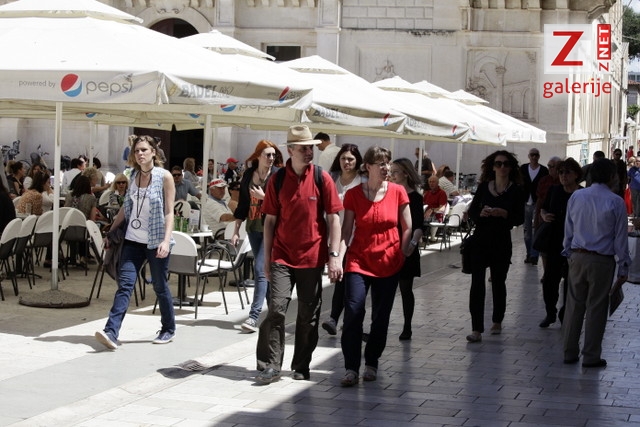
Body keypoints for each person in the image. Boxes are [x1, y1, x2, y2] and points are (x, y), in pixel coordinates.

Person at [255, 125, 342, 384]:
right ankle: (271, 365)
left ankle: (301, 365)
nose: (309, 152)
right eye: (303, 148)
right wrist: (267, 258)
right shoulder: (278, 180)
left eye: (311, 147)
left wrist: (334, 255)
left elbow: (334, 218)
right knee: (277, 310)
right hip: (282, 256)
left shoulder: (322, 178)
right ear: (291, 150)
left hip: (312, 257)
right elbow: (270, 221)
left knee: (308, 315)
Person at [338, 146, 412, 386]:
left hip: (388, 262)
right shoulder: (353, 195)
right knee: (353, 312)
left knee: (381, 317)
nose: (386, 167)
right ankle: (351, 367)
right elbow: (346, 231)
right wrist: (337, 258)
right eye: (380, 163)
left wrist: (402, 253)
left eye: (387, 162)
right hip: (358, 260)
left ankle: (371, 362)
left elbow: (407, 227)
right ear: (367, 167)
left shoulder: (398, 191)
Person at [95, 135, 176, 350]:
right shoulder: (131, 175)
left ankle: (168, 328)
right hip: (132, 240)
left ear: (153, 152)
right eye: (137, 150)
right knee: (125, 285)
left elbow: (169, 211)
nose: (140, 154)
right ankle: (111, 331)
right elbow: (126, 207)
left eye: (144, 150)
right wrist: (111, 231)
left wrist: (166, 240)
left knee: (160, 286)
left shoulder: (164, 177)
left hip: (156, 240)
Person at [562, 158, 630, 368]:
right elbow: (620, 238)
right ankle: (591, 355)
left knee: (574, 305)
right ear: (611, 176)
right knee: (597, 307)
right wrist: (623, 266)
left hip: (577, 256)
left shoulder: (577, 196)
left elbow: (569, 227)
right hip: (602, 260)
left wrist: (568, 251)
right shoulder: (616, 201)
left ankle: (569, 351)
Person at [466, 150, 525, 343]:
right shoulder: (484, 187)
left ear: (511, 167)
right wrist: (481, 214)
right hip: (480, 240)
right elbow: (472, 212)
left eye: (506, 164)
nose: (502, 167)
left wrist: (504, 214)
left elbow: (520, 218)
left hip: (501, 241)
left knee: (499, 282)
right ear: (492, 167)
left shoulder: (516, 190)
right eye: (498, 164)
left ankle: (497, 320)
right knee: (477, 283)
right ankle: (476, 329)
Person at [231, 139, 283, 333]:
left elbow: (283, 203)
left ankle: (253, 317)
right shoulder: (248, 175)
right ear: (258, 156)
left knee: (260, 269)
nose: (271, 158)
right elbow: (242, 205)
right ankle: (274, 316)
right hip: (253, 227)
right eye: (268, 154)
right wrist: (236, 230)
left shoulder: (278, 175)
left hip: (272, 228)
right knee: (265, 272)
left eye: (273, 155)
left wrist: (264, 198)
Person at [320, 143, 364, 336]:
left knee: (345, 277)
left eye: (351, 159)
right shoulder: (332, 179)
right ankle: (340, 319)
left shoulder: (363, 181)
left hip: (355, 237)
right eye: (344, 158)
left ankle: (336, 318)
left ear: (357, 161)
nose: (347, 162)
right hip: (333, 237)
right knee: (341, 277)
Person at [537, 158, 582, 328]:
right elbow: (543, 208)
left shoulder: (582, 194)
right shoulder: (554, 190)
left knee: (571, 281)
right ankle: (550, 312)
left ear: (576, 174)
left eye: (567, 172)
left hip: (575, 244)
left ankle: (565, 314)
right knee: (550, 280)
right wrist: (544, 215)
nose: (563, 176)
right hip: (554, 241)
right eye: (561, 172)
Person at [389, 158, 423, 341]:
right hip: (388, 246)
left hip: (406, 247)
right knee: (384, 290)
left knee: (405, 288)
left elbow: (419, 225)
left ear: (406, 173)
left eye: (395, 171)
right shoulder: (388, 193)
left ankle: (407, 326)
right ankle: (379, 326)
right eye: (391, 171)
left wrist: (412, 244)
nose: (392, 175)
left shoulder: (415, 197)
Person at [520, 148, 548, 266]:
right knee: (527, 231)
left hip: (538, 203)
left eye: (536, 155)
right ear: (529, 156)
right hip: (525, 203)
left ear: (539, 156)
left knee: (536, 229)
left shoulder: (544, 170)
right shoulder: (523, 169)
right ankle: (529, 253)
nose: (534, 157)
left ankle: (534, 255)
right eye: (532, 155)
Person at [423, 175, 448, 243]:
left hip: (436, 216)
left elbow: (442, 208)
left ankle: (421, 240)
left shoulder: (442, 193)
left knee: (419, 220)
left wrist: (432, 210)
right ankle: (420, 238)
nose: (431, 183)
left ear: (437, 183)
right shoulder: (428, 193)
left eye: (433, 182)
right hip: (426, 215)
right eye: (430, 182)